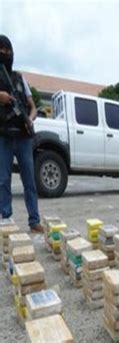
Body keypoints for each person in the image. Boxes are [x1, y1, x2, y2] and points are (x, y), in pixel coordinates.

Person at [0, 35, 43, 232]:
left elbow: (32, 107)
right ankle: (6, 219)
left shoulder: (19, 77)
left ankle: (34, 221)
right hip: (4, 137)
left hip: (24, 137)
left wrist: (30, 119)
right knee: (3, 180)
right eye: (2, 51)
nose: (5, 54)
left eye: (8, 51)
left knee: (29, 181)